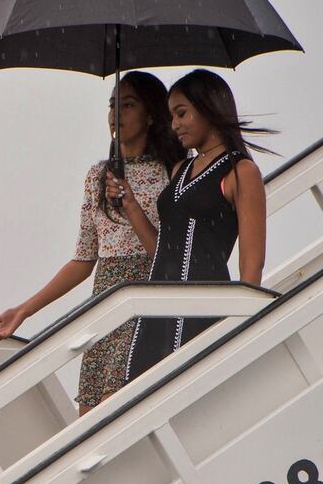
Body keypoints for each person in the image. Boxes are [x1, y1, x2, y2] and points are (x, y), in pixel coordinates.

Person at [0, 71, 185, 415]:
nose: (116, 114)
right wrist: (24, 310)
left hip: (147, 292)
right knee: (90, 416)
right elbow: (83, 259)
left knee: (116, 407)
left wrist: (131, 204)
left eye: (128, 104)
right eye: (112, 105)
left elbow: (168, 254)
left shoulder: (173, 170)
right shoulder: (98, 175)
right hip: (104, 296)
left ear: (151, 114)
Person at [107, 68, 271, 383]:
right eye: (171, 116)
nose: (175, 124)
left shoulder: (241, 170)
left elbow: (252, 263)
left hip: (203, 305)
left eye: (182, 113)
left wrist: (242, 324)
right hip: (157, 306)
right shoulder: (181, 168)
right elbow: (163, 249)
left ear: (209, 108)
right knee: (139, 394)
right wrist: (129, 203)